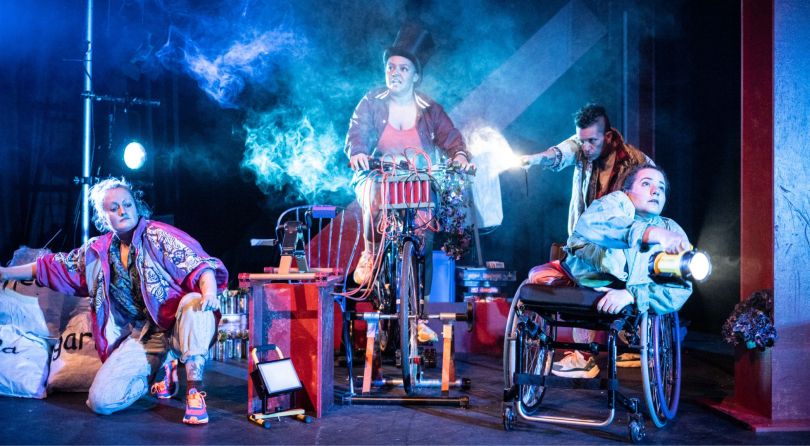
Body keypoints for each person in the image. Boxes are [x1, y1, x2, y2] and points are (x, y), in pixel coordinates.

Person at [0, 178, 227, 425]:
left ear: (136, 206)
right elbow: (50, 266)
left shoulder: (158, 236)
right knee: (101, 402)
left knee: (194, 302)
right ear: (102, 217)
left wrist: (210, 294)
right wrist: (4, 273)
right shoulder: (96, 252)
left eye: (127, 204)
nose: (122, 211)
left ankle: (194, 390)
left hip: (183, 325)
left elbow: (201, 267)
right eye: (114, 207)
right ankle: (161, 370)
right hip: (146, 335)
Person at [521, 103, 651, 375]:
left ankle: (633, 342)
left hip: (620, 249)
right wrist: (537, 159)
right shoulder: (581, 148)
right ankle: (583, 355)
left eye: (592, 140)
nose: (587, 146)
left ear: (607, 135)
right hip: (585, 245)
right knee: (571, 281)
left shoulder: (636, 162)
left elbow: (652, 199)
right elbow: (561, 151)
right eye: (583, 140)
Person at [528, 164, 693, 378]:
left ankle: (630, 344)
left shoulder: (672, 230)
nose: (656, 191)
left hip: (629, 296)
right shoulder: (614, 205)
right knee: (537, 276)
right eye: (646, 184)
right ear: (627, 191)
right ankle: (582, 356)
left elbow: (680, 289)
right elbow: (603, 224)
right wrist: (652, 234)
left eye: (661, 188)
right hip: (581, 278)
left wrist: (632, 294)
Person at [345, 24, 471, 287]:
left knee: (425, 227)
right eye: (391, 67)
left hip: (418, 178)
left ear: (415, 76)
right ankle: (370, 253)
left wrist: (459, 155)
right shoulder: (371, 100)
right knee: (372, 192)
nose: (395, 73)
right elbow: (357, 131)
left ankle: (421, 302)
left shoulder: (430, 109)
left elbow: (452, 139)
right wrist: (357, 152)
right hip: (377, 174)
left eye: (403, 68)